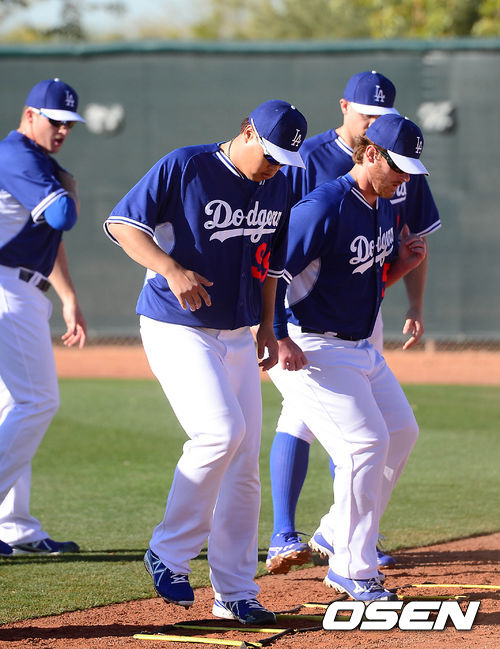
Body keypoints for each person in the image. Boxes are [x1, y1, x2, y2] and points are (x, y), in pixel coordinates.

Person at [104, 100, 307, 624]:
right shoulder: (187, 165)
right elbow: (124, 224)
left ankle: (235, 592)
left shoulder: (279, 184)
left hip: (238, 332)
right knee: (220, 432)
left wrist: (268, 325)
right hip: (177, 325)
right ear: (247, 132)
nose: (276, 167)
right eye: (271, 155)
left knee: (244, 468)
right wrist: (170, 269)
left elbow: (270, 266)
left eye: (285, 159)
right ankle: (169, 551)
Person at [266, 70, 440, 574]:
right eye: (399, 168)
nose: (406, 179)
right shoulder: (322, 204)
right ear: (371, 154)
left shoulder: (381, 206)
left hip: (358, 341)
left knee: (399, 432)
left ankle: (334, 531)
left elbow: (361, 278)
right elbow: (271, 271)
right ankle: (349, 564)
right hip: (311, 341)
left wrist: (401, 270)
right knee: (363, 442)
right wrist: (275, 335)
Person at [0, 78, 87, 557]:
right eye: (55, 121)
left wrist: (68, 296)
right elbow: (62, 218)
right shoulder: (17, 155)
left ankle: (15, 526)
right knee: (37, 402)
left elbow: (49, 239)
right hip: (6, 288)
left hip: (23, 285)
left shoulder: (37, 160)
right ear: (30, 114)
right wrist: (69, 196)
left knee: (15, 407)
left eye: (69, 124)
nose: (63, 131)